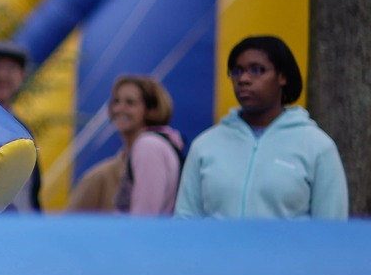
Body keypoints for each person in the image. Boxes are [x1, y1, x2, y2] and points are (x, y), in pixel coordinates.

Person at [174, 35, 348, 219]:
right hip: (215, 249)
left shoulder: (317, 146)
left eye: (257, 70)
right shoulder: (205, 145)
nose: (243, 79)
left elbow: (332, 228)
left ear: (282, 77)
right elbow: (185, 220)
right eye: (236, 71)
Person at [0, 40, 42, 213]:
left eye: (11, 69)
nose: (2, 75)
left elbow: (32, 196)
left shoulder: (24, 132)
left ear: (22, 77)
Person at [106, 74, 183, 215]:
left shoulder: (148, 146)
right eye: (116, 101)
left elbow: (144, 218)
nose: (119, 108)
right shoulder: (154, 143)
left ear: (151, 110)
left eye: (130, 103)